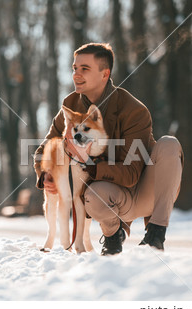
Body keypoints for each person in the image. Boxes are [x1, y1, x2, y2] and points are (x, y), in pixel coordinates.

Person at [34, 43, 183, 255]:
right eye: (74, 68)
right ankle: (113, 237)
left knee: (169, 144)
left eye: (84, 69)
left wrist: (90, 164)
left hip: (143, 189)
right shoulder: (71, 103)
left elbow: (131, 175)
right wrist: (45, 173)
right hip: (107, 195)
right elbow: (46, 145)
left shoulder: (133, 110)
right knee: (95, 194)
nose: (76, 74)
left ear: (105, 74)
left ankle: (155, 235)